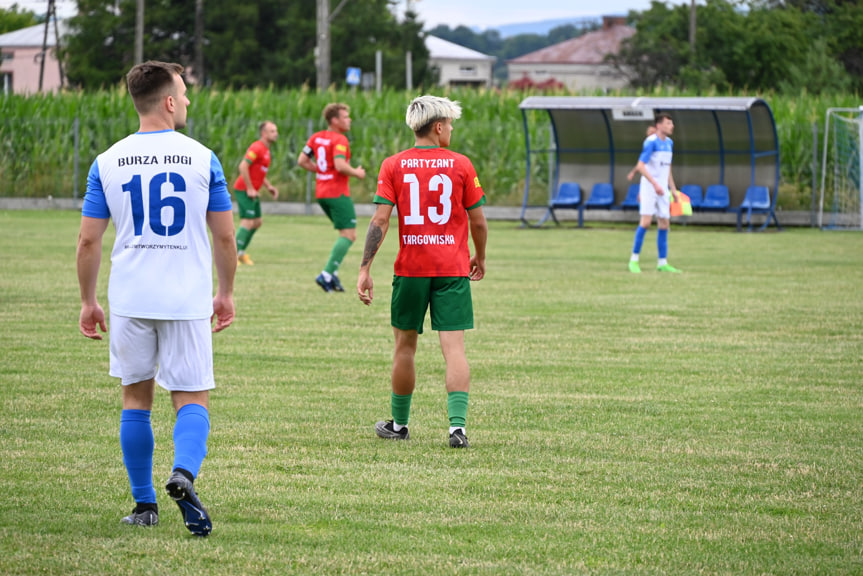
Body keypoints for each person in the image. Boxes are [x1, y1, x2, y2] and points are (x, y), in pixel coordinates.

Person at [76, 60, 236, 537]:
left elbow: (88, 242)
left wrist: (89, 300)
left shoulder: (106, 161)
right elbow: (225, 239)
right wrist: (225, 292)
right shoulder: (202, 157)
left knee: (135, 398)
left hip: (129, 297)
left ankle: (144, 505)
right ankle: (183, 473)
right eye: (183, 94)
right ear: (168, 101)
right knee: (191, 397)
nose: (186, 101)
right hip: (185, 298)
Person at [357, 95, 488, 449]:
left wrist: (365, 267)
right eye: (451, 125)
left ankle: (399, 425)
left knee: (404, 348)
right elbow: (478, 221)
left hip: (411, 270)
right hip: (452, 269)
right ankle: (456, 429)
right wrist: (480, 256)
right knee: (454, 349)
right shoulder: (461, 164)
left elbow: (380, 221)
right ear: (439, 126)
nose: (451, 130)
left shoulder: (393, 165)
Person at [297, 103, 366, 292]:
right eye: (345, 117)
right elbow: (340, 165)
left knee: (344, 234)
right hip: (337, 192)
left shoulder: (316, 137)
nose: (349, 120)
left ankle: (332, 273)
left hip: (321, 192)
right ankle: (326, 274)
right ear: (334, 121)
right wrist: (357, 173)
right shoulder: (340, 139)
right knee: (349, 235)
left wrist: (321, 171)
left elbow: (302, 161)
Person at [628, 113, 681, 274]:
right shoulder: (650, 143)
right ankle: (634, 260)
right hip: (650, 187)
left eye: (672, 123)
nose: (671, 126)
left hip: (662, 188)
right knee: (645, 223)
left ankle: (662, 262)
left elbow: (668, 168)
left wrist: (673, 189)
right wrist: (655, 184)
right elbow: (641, 166)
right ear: (659, 125)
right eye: (668, 123)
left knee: (664, 224)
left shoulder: (670, 143)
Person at [234, 120, 279, 265]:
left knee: (257, 222)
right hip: (244, 190)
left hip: (253, 191)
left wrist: (268, 186)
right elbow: (243, 166)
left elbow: (259, 172)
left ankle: (240, 252)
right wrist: (250, 188)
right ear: (263, 133)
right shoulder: (257, 147)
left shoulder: (266, 150)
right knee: (247, 222)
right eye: (272, 131)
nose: (275, 134)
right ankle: (232, 255)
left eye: (275, 131)